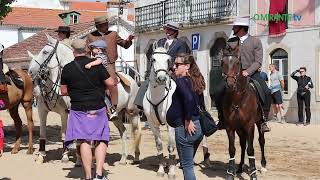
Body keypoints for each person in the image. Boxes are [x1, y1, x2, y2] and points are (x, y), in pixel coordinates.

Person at [60, 39, 115, 180]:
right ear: (86, 50)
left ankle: (88, 176)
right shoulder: (97, 65)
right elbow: (110, 83)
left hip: (78, 109)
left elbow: (64, 91)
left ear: (73, 52)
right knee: (101, 139)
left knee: (84, 140)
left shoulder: (67, 68)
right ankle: (99, 174)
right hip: (98, 107)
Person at [86, 15, 134, 120]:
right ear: (98, 26)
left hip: (110, 64)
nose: (106, 27)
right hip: (95, 64)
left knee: (112, 84)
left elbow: (125, 45)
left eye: (107, 24)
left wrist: (129, 40)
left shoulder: (113, 34)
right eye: (103, 25)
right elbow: (86, 52)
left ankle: (113, 108)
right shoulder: (90, 36)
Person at [229, 16, 271, 132]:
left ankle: (263, 120)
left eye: (235, 27)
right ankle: (222, 119)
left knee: (266, 92)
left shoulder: (255, 41)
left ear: (241, 28)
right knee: (219, 90)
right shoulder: (231, 42)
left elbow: (258, 61)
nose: (233, 28)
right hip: (234, 74)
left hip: (251, 73)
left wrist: (248, 71)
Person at [134, 22, 191, 109]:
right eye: (166, 29)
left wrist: (171, 68)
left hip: (173, 71)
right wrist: (149, 73)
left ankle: (184, 107)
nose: (167, 31)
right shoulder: (160, 42)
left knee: (180, 86)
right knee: (146, 83)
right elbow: (153, 58)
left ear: (175, 31)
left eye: (169, 29)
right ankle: (142, 106)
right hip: (158, 71)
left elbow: (181, 58)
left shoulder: (181, 43)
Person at [166, 53, 203, 180]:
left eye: (177, 64)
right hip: (198, 128)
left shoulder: (182, 81)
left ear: (187, 66)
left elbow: (188, 99)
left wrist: (188, 120)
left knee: (187, 166)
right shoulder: (196, 80)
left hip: (186, 129)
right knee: (186, 164)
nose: (174, 67)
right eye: (173, 64)